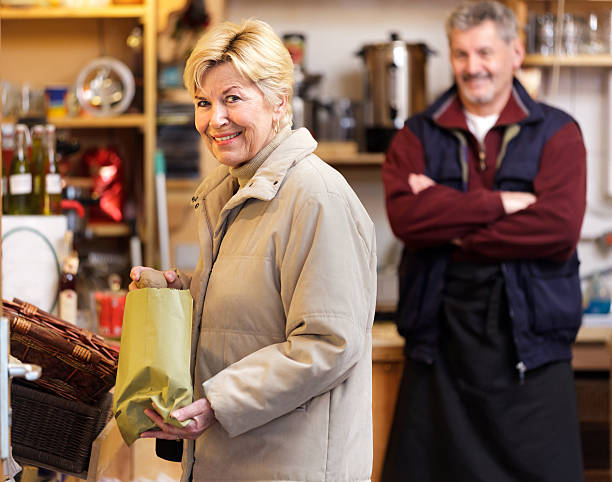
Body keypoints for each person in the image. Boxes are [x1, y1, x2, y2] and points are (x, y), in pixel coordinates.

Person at [130, 18, 377, 482]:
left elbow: (328, 342)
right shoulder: (230, 190)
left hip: (288, 466)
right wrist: (179, 291)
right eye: (203, 102)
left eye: (233, 99)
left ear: (279, 102)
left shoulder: (314, 196)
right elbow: (254, 306)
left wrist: (220, 402)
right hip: (231, 461)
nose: (213, 119)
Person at [381, 2, 587, 481]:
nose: (473, 67)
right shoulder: (416, 135)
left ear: (515, 53)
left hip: (532, 359)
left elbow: (556, 230)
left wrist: (447, 223)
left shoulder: (558, 133)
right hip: (438, 354)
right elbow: (407, 220)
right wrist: (500, 205)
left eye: (485, 52)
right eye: (461, 54)